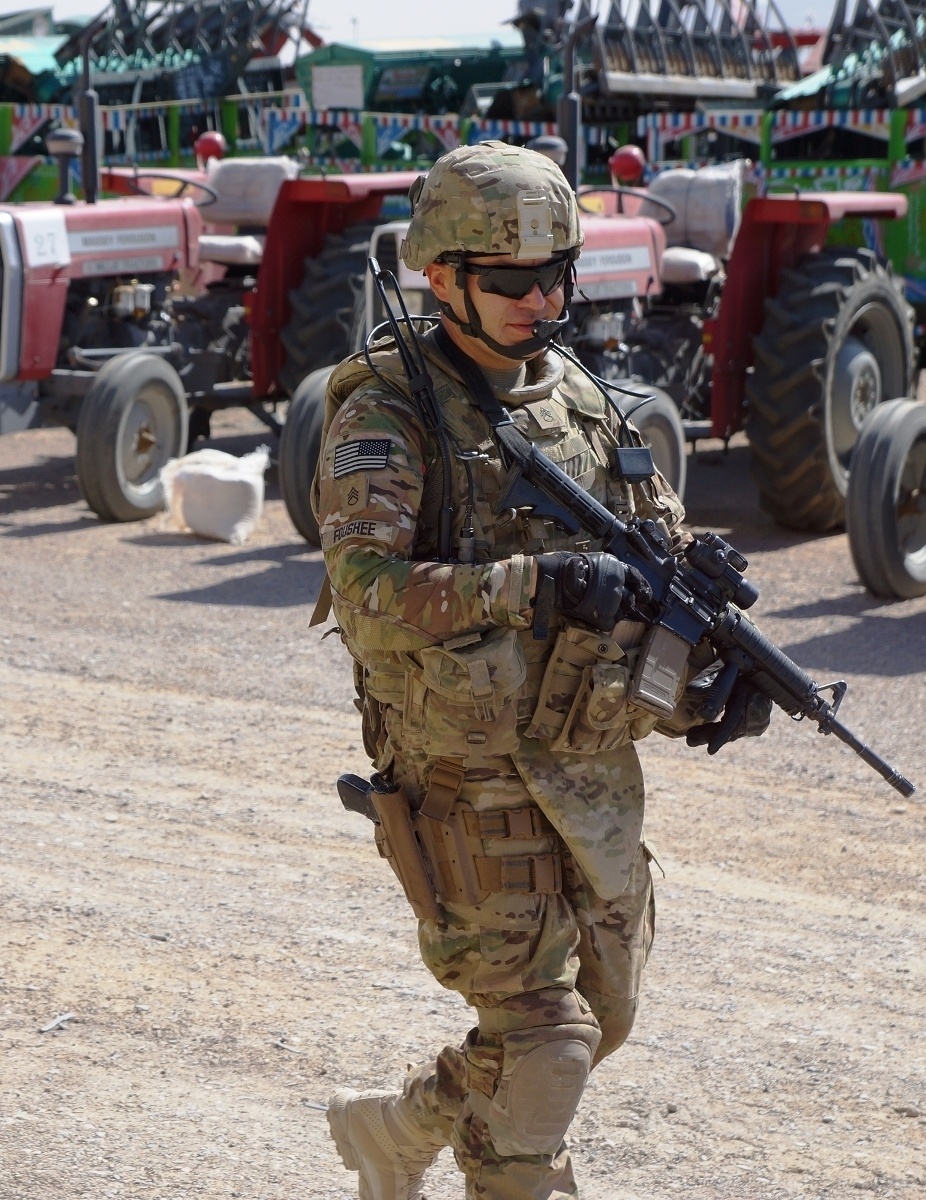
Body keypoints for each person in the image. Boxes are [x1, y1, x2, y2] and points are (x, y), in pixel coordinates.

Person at [312, 141, 769, 1200]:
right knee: (546, 1048)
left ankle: (400, 1128)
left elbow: (644, 559)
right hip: (463, 777)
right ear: (439, 274)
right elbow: (367, 592)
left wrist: (705, 669)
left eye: (556, 272)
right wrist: (529, 583)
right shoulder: (388, 407)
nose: (539, 297)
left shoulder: (583, 400)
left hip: (587, 766)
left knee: (598, 1022)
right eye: (510, 279)